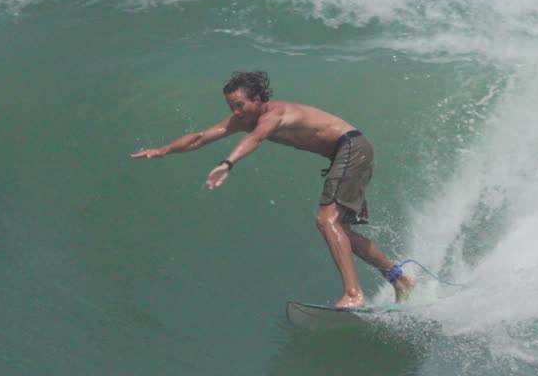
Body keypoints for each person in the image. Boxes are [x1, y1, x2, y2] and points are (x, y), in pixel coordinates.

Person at [132, 70, 415, 308]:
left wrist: (227, 163)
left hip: (351, 148)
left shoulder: (274, 115)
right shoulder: (245, 119)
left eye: (240, 105)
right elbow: (200, 137)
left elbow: (256, 138)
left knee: (326, 221)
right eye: (231, 107)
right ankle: (399, 278)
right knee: (341, 230)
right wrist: (163, 150)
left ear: (258, 99)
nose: (235, 112)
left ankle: (354, 295)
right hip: (347, 153)